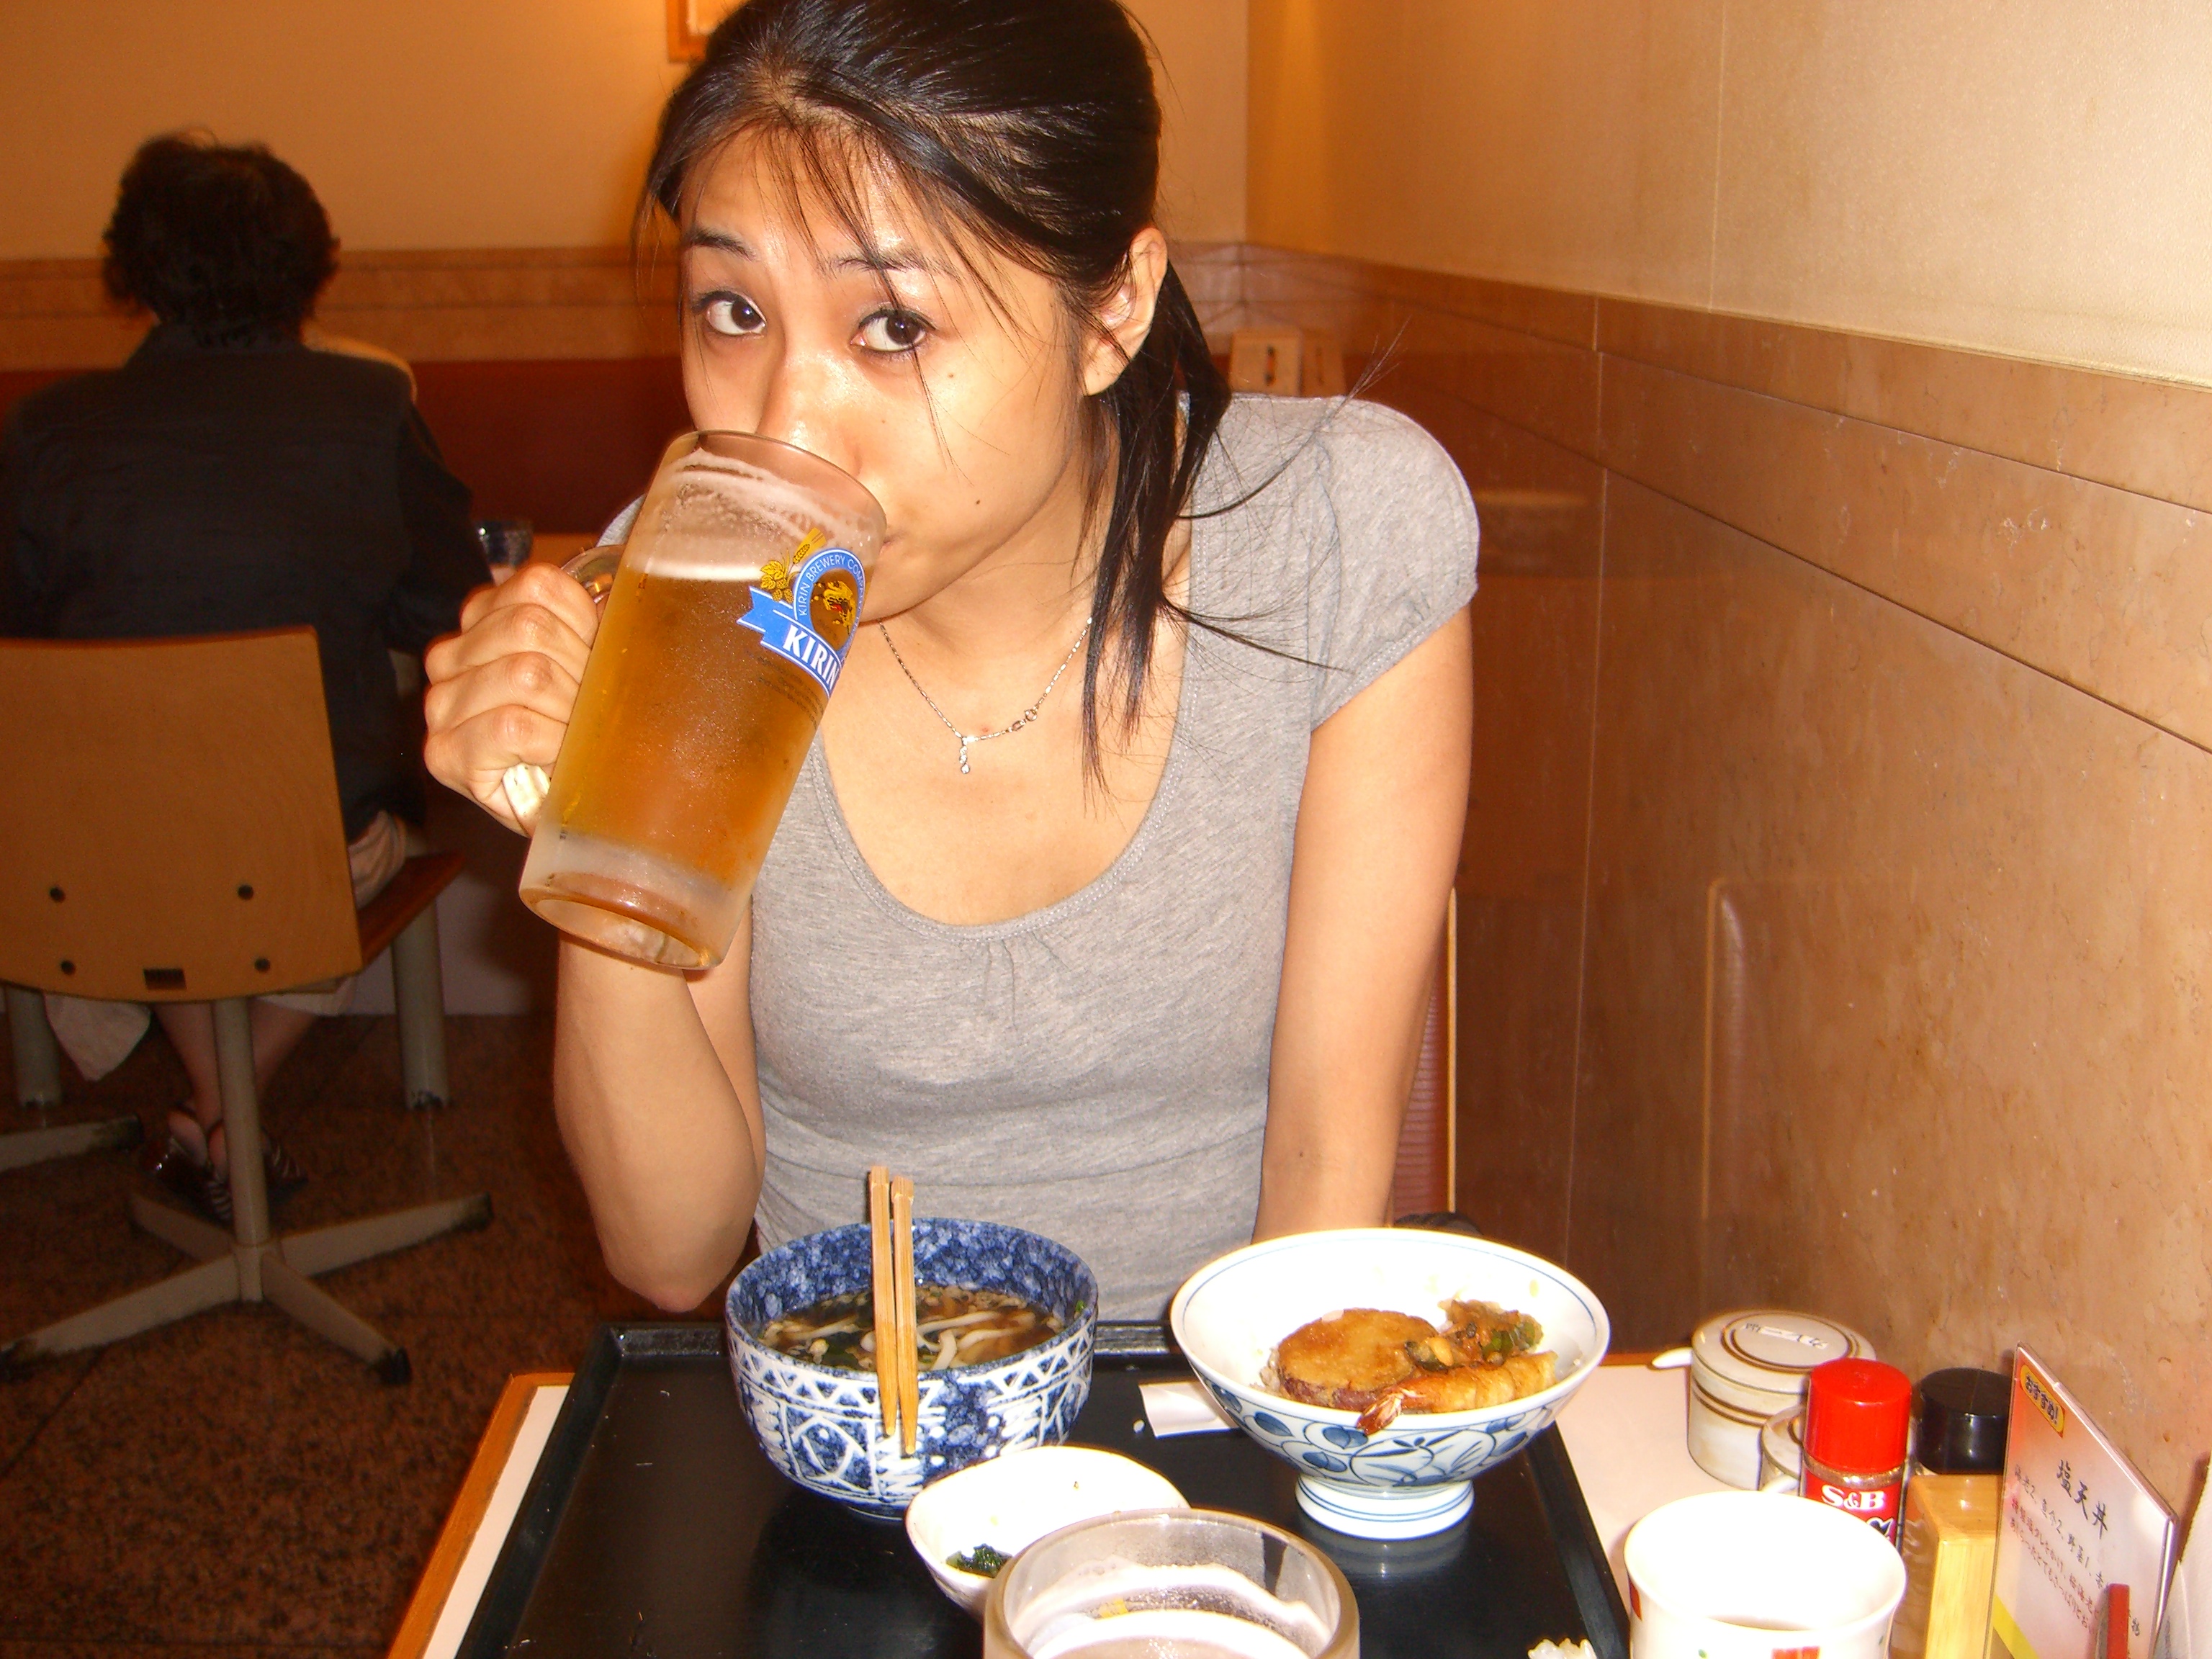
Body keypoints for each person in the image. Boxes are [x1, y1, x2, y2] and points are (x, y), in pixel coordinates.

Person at [423, 0, 1476, 1321]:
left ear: (1114, 311)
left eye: (894, 328)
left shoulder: (1336, 529)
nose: (788, 428)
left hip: (1218, 1387)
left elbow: (1326, 1175)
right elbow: (671, 1251)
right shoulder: (693, 590)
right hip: (846, 1400)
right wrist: (595, 830)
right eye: (734, 310)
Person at [0, 133, 486, 1224]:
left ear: (135, 271)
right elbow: (448, 610)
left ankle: (216, 1113)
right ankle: (231, 1112)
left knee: (166, 856)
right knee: (343, 828)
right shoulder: (366, 409)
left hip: (83, 867)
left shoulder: (43, 431)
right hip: (302, 859)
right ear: (309, 269)